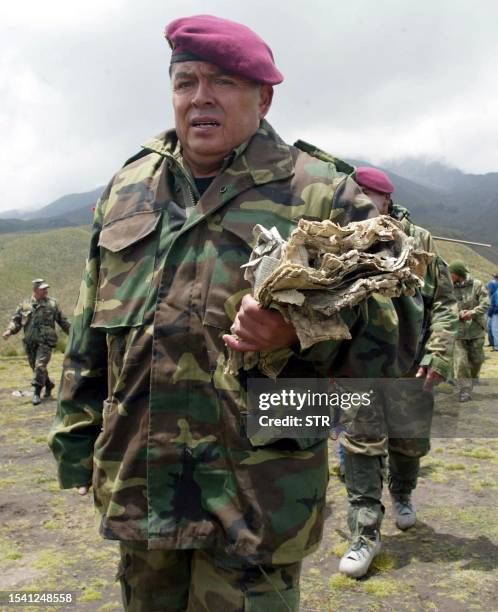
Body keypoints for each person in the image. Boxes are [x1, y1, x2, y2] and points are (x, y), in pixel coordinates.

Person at [48, 16, 423, 610]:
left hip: (258, 497)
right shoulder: (128, 190)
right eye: (185, 81)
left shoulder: (325, 195)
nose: (200, 97)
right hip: (144, 487)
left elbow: (393, 360)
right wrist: (76, 445)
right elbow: (89, 336)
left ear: (263, 96)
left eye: (222, 81)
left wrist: (299, 332)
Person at [336, 167, 458, 578]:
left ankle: (403, 494)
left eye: (374, 198)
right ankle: (364, 536)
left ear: (389, 201)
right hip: (360, 369)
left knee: (409, 444)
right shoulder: (339, 238)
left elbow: (444, 303)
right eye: (359, 196)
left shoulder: (420, 241)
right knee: (362, 448)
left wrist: (438, 355)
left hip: (412, 367)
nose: (366, 206)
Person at [2, 279, 70, 405]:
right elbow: (16, 321)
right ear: (35, 290)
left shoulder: (52, 304)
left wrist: (73, 334)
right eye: (43, 289)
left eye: (46, 288)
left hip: (46, 342)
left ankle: (36, 394)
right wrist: (9, 331)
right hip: (30, 343)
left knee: (40, 366)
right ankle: (49, 384)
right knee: (37, 368)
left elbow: (63, 321)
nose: (46, 291)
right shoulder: (25, 305)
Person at [450, 261, 490, 401]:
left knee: (477, 360)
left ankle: (474, 378)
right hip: (458, 331)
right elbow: (446, 307)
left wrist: (473, 312)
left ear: (457, 274)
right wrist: (460, 314)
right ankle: (464, 390)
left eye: (451, 273)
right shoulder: (448, 288)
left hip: (476, 329)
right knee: (461, 363)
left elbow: (486, 303)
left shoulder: (477, 285)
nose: (449, 276)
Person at [486, 273, 498, 347]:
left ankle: (495, 345)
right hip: (493, 309)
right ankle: (492, 343)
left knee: (494, 329)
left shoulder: (492, 284)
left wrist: (491, 312)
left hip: (494, 311)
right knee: (490, 327)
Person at [488, 287, 498, 351]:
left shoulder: (496, 293)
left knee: (495, 330)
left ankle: (496, 346)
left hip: (496, 314)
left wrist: (490, 313)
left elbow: (496, 305)